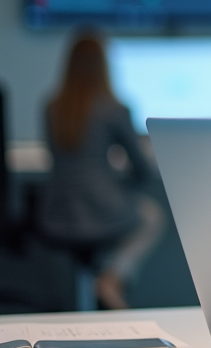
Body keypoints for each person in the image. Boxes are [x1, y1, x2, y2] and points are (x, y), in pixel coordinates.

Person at [39, 33, 164, 310]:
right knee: (151, 216)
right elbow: (141, 168)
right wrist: (124, 186)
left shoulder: (51, 107)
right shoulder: (113, 108)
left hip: (56, 213)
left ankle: (93, 286)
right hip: (101, 209)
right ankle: (112, 276)